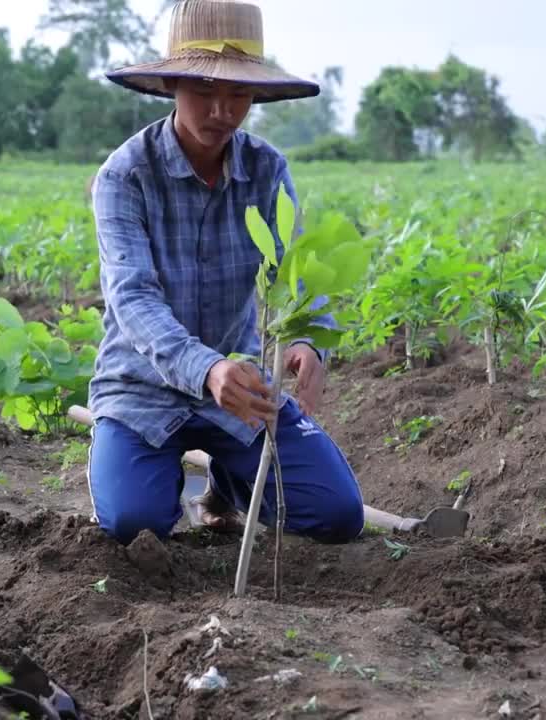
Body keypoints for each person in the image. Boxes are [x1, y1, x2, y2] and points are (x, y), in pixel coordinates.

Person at [85, 0, 365, 546]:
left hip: (243, 387)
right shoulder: (125, 175)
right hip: (141, 388)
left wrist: (309, 337)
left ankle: (225, 485)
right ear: (171, 86)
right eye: (204, 91)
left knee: (336, 515)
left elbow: (294, 267)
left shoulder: (266, 169)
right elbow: (133, 299)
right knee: (134, 523)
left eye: (239, 93)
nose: (222, 110)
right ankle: (140, 470)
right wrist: (206, 369)